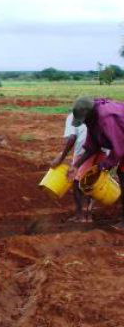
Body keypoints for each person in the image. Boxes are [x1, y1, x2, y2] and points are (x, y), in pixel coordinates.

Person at [68, 97, 124, 229]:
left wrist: (103, 166)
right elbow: (92, 146)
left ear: (89, 113)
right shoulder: (93, 120)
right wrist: (76, 166)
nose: (84, 123)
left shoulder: (106, 119)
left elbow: (119, 148)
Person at [50, 112, 91, 222]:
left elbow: (72, 138)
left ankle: (80, 216)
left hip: (84, 150)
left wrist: (61, 158)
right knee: (92, 180)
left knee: (77, 182)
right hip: (103, 149)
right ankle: (88, 214)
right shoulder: (93, 113)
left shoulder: (72, 116)